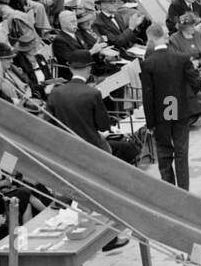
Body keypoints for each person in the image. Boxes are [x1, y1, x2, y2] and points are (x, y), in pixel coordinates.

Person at [45, 51, 135, 252]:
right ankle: (107, 237)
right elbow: (103, 125)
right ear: (88, 68)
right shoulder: (92, 93)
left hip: (68, 151)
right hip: (93, 150)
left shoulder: (56, 93)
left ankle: (83, 232)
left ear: (70, 68)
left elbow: (48, 123)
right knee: (102, 194)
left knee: (81, 194)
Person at [139, 23, 201, 190]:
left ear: (152, 38)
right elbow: (196, 82)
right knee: (181, 152)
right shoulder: (181, 58)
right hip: (179, 110)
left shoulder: (148, 63)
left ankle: (169, 189)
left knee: (164, 152)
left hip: (162, 114)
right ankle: (184, 189)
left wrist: (150, 122)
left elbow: (148, 96)